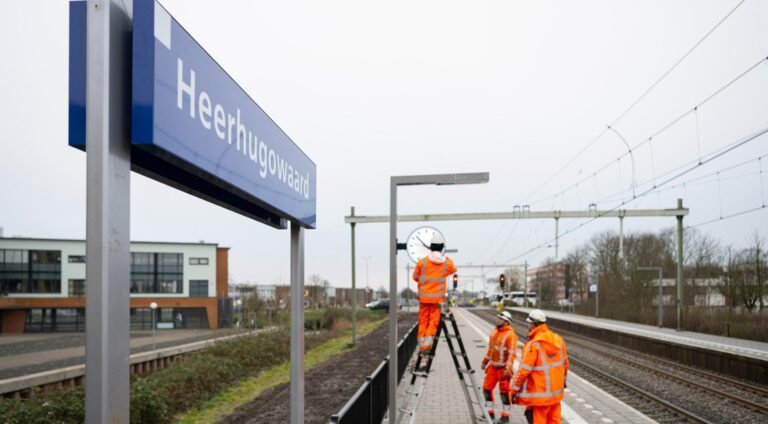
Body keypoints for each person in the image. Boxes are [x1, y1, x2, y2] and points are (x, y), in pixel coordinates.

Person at [510, 309, 569, 424]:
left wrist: (513, 391)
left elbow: (523, 371)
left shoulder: (534, 344)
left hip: (539, 398)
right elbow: (565, 364)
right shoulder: (559, 340)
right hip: (555, 396)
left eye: (529, 323)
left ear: (533, 324)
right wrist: (563, 382)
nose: (528, 325)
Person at [411, 233, 457, 354]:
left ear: (430, 247)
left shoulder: (422, 262)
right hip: (437, 301)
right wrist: (444, 257)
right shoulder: (446, 263)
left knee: (423, 320)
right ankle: (426, 346)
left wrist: (424, 280)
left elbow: (415, 277)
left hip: (424, 299)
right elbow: (454, 269)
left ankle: (421, 344)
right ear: (442, 247)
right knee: (433, 321)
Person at [481, 310, 518, 423]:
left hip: (503, 370)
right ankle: (490, 413)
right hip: (492, 367)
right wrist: (484, 362)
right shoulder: (494, 332)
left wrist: (508, 369)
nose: (498, 320)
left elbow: (512, 354)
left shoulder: (511, 335)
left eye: (501, 319)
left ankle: (505, 416)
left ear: (506, 322)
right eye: (498, 318)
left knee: (504, 393)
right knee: (486, 389)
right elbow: (491, 350)